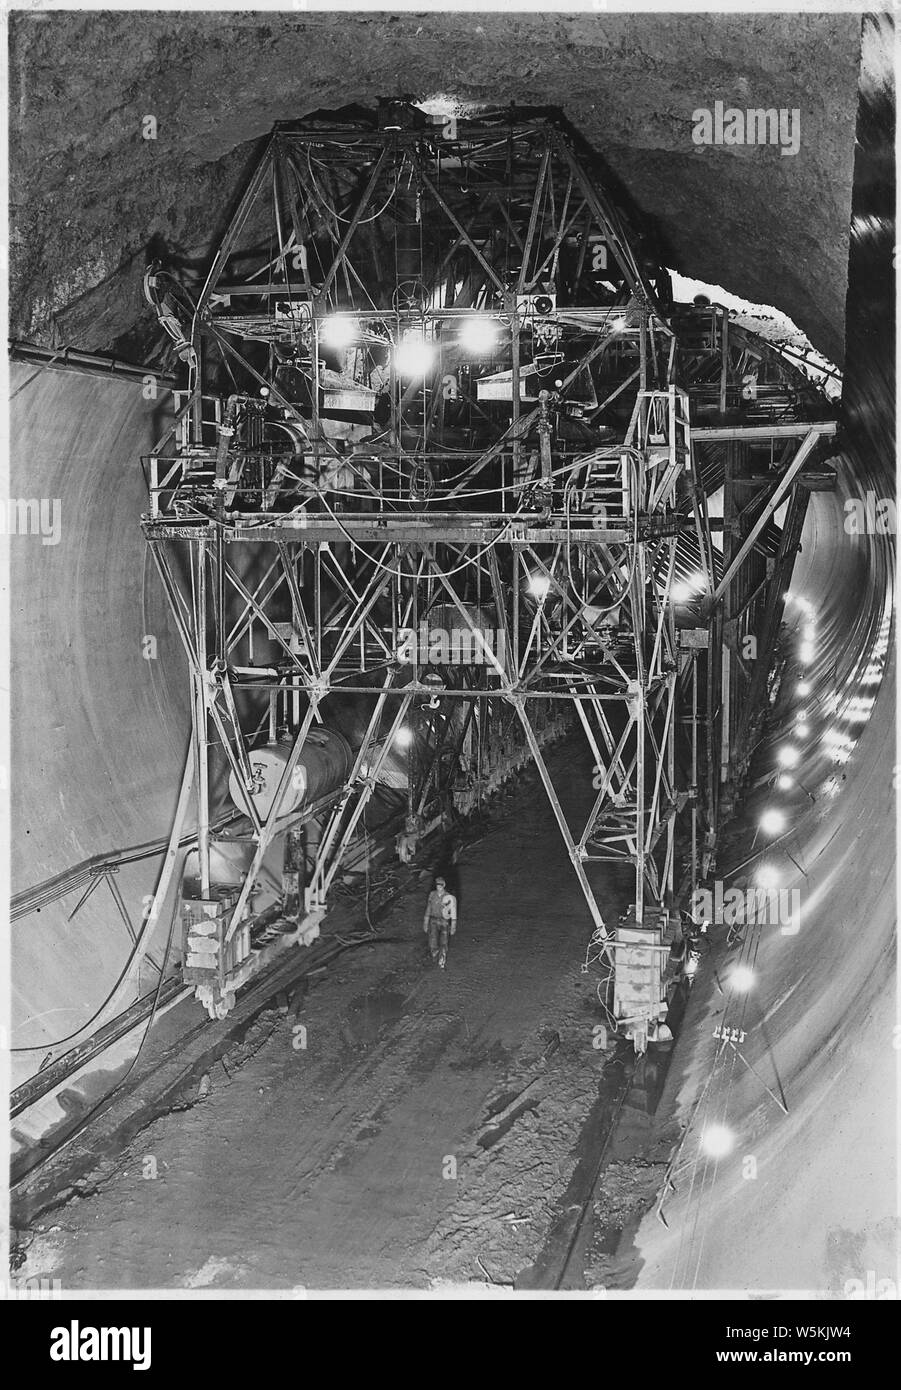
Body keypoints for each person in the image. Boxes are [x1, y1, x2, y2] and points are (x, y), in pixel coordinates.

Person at [422, 875, 457, 969]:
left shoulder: (448, 897)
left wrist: (453, 925)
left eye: (441, 885)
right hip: (433, 919)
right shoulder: (432, 895)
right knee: (432, 938)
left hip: (444, 921)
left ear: (444, 885)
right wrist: (425, 922)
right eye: (437, 884)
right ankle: (434, 954)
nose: (439, 886)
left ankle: (442, 957)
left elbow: (453, 911)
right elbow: (428, 908)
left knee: (444, 940)